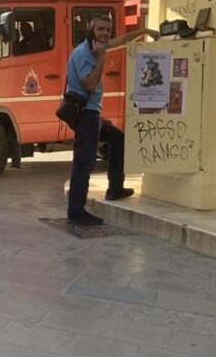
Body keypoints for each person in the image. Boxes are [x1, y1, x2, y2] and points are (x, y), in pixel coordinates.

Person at [66, 15, 159, 226]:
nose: (105, 33)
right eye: (100, 29)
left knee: (119, 140)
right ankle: (76, 212)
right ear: (91, 29)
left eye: (108, 29)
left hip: (93, 114)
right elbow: (89, 84)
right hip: (86, 115)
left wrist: (145, 32)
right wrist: (101, 58)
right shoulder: (85, 53)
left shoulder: (98, 46)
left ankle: (115, 188)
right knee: (84, 163)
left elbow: (123, 40)